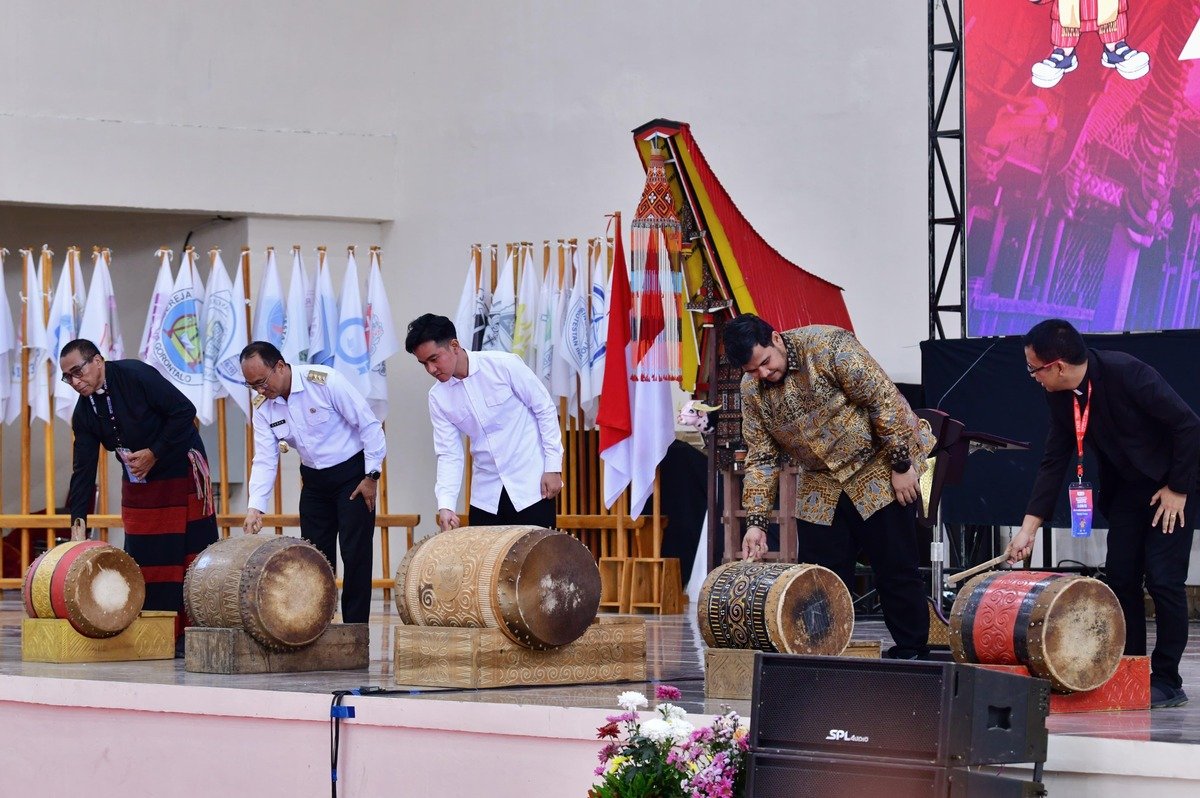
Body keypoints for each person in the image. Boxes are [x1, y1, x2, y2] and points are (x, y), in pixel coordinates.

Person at [1007, 319, 1197, 709]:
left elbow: (1188, 425)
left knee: (1164, 581)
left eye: (1034, 369)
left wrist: (1179, 488)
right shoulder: (1059, 395)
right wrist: (1028, 529)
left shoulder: (1128, 372)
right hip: (1127, 490)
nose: (1033, 378)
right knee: (1122, 578)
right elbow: (1054, 459)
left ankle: (1166, 678)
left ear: (1057, 365)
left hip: (1170, 487)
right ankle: (1130, 668)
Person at [722, 314, 934, 660]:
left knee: (895, 566)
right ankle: (820, 655)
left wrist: (901, 464)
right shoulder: (752, 390)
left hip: (876, 465)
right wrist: (756, 523)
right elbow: (761, 457)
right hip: (820, 481)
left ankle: (912, 653)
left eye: (765, 363)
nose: (762, 374)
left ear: (776, 338)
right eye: (751, 371)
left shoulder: (829, 345)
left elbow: (884, 400)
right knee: (818, 577)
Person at [61, 339, 219, 647]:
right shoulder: (84, 412)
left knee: (191, 554)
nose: (75, 381)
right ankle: (157, 637)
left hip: (178, 463)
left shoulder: (136, 375)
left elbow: (184, 411)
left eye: (78, 371)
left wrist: (155, 452)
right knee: (143, 556)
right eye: (68, 377)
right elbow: (83, 467)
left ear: (98, 361)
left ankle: (196, 637)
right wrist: (78, 521)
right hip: (139, 480)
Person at [240, 341, 385, 624]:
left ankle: (356, 629)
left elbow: (369, 425)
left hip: (353, 477)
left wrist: (372, 476)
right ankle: (317, 626)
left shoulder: (325, 382)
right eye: (252, 386)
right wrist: (255, 507)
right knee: (313, 558)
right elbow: (265, 460)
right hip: (315, 483)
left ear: (280, 366)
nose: (260, 390)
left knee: (355, 554)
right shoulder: (263, 408)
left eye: (262, 382)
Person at [404, 313, 563, 531]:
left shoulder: (504, 365)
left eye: (434, 359)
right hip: (486, 496)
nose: (431, 369)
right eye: (424, 363)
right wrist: (446, 505)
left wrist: (553, 467)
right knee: (486, 564)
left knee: (538, 564)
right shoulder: (437, 397)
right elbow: (449, 453)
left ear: (454, 345)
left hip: (531, 487)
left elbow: (544, 409)